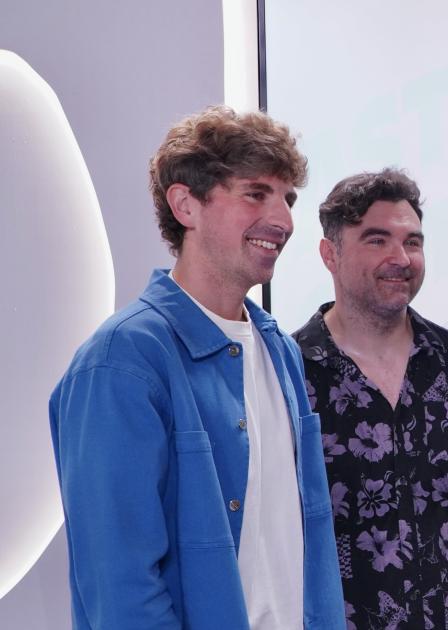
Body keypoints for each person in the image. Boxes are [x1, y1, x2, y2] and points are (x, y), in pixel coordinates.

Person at [49, 106, 344, 628]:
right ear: (186, 204)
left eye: (288, 198)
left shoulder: (280, 350)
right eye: (256, 193)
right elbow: (120, 585)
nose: (283, 220)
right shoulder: (121, 361)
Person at [293, 168, 448, 630]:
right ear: (330, 254)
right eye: (377, 240)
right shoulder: (288, 376)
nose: (401, 258)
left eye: (413, 242)